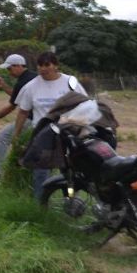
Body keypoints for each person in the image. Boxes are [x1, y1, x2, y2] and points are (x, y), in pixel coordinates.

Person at [12, 51, 87, 199]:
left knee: (68, 170)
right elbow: (22, 112)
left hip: (66, 132)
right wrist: (16, 134)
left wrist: (83, 129)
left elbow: (84, 105)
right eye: (40, 65)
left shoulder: (70, 83)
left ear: (56, 66)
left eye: (47, 65)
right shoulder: (31, 87)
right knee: (40, 171)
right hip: (42, 135)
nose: (43, 68)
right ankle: (41, 203)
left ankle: (71, 200)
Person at [0, 54, 37, 179]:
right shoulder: (32, 77)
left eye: (9, 68)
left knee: (3, 136)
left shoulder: (23, 82)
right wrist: (4, 85)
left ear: (19, 66)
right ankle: (16, 174)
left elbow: (11, 106)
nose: (8, 71)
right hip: (39, 119)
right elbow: (17, 97)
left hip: (31, 119)